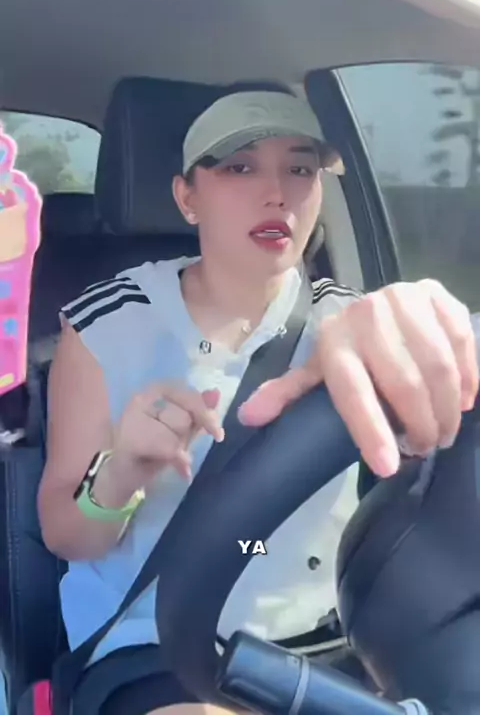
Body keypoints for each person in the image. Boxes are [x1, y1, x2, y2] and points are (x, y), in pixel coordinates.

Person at [38, 90, 479, 715]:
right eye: (239, 167)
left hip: (340, 646)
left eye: (300, 168)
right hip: (161, 649)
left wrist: (441, 329)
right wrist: (121, 474)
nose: (277, 193)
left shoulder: (353, 323)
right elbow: (65, 535)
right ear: (187, 197)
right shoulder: (108, 322)